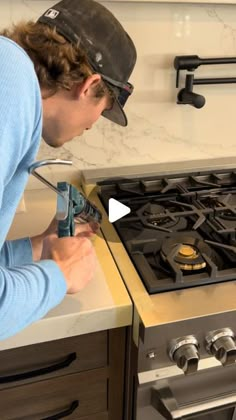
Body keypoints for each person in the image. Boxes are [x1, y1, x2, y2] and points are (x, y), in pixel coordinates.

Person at [0, 0, 136, 339]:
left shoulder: (10, 71)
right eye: (101, 111)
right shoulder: (11, 89)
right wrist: (59, 274)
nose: (91, 127)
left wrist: (35, 246)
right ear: (89, 87)